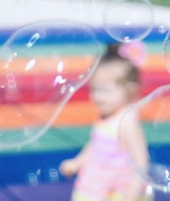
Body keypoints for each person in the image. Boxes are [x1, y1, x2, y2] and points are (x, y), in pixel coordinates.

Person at [59, 41, 151, 201]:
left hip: (117, 189)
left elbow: (140, 159)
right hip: (97, 182)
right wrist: (78, 162)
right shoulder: (106, 115)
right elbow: (94, 145)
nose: (98, 96)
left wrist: (134, 189)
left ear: (130, 89)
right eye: (95, 89)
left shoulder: (127, 121)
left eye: (107, 90)